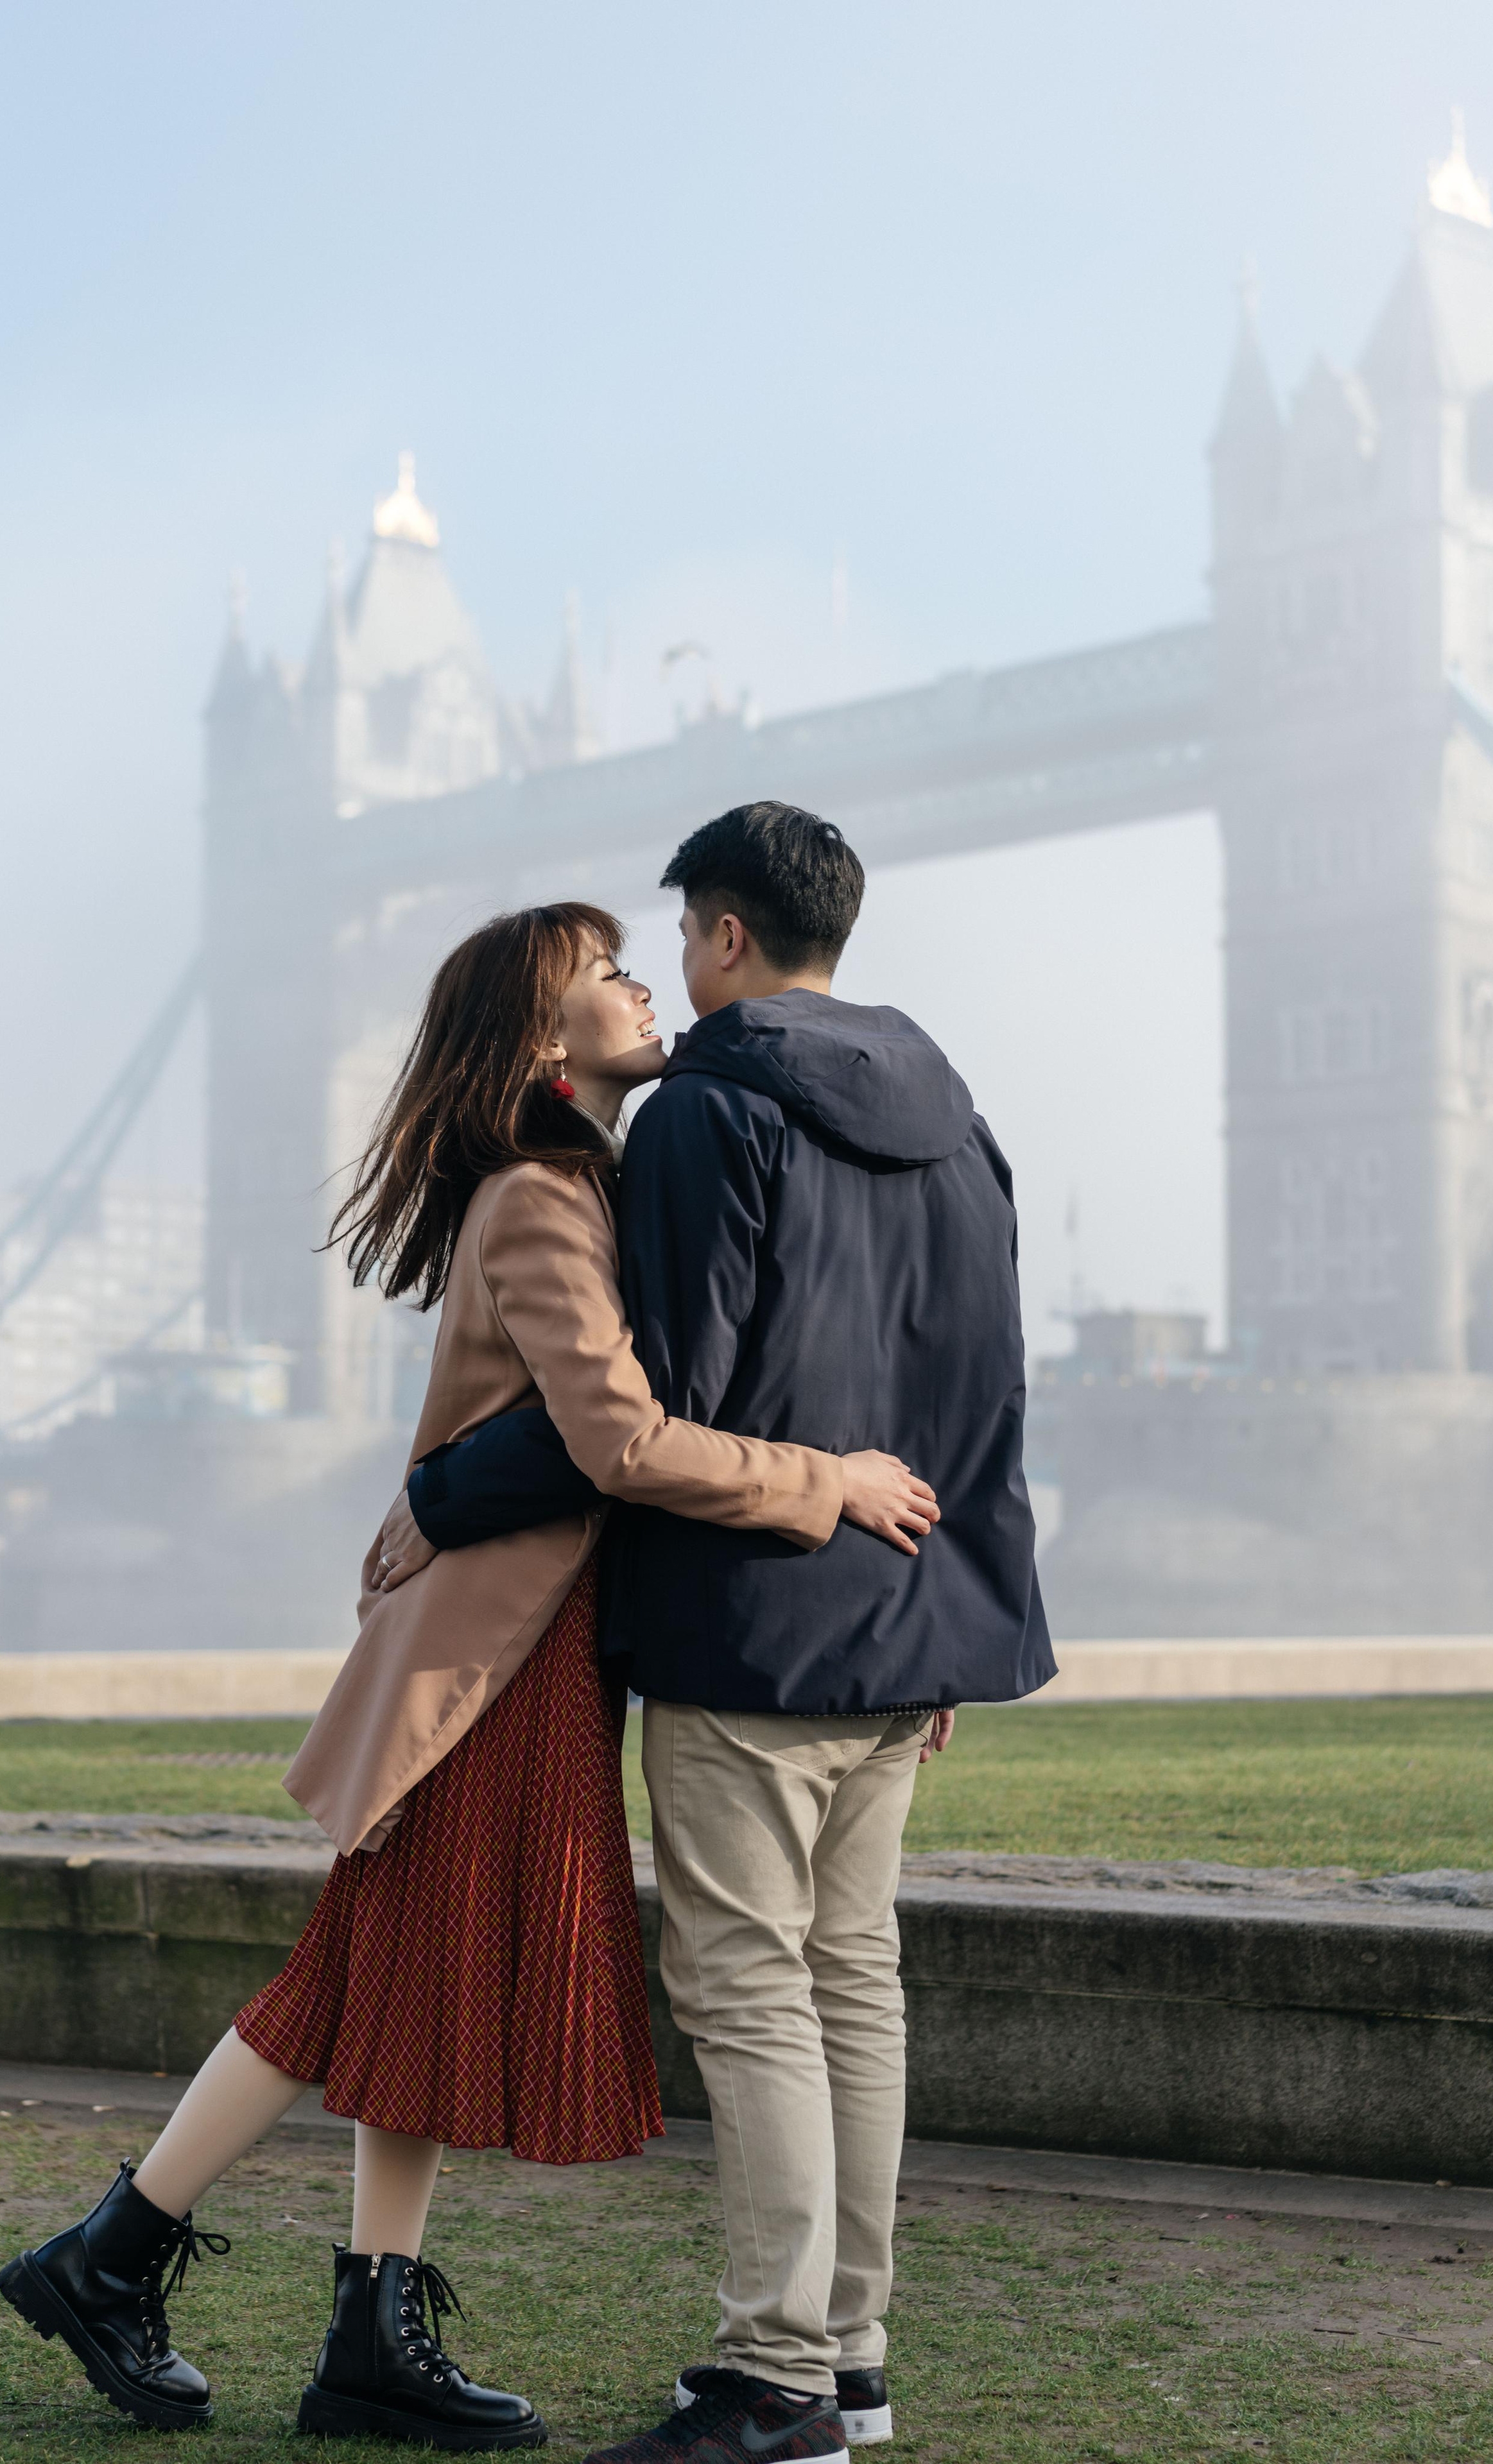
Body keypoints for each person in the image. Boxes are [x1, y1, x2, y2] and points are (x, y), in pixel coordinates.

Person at [0, 901, 938, 2451]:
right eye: (605, 976)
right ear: (539, 1039)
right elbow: (616, 1439)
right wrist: (822, 1483)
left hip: (536, 1646)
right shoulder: (543, 1197)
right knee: (360, 1971)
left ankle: (356, 2318)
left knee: (399, 1974)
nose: (642, 988)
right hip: (496, 1657)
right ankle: (117, 2258)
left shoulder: (590, 1183)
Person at [414, 805, 1052, 2464]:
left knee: (754, 1987)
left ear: (717, 936)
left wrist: (437, 1494)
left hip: (748, 1628)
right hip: (904, 1625)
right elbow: (985, 1391)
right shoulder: (961, 1118)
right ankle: (852, 2361)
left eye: (672, 939)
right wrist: (953, 1617)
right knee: (855, 1981)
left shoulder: (708, 1114)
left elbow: (647, 1409)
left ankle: (771, 2380)